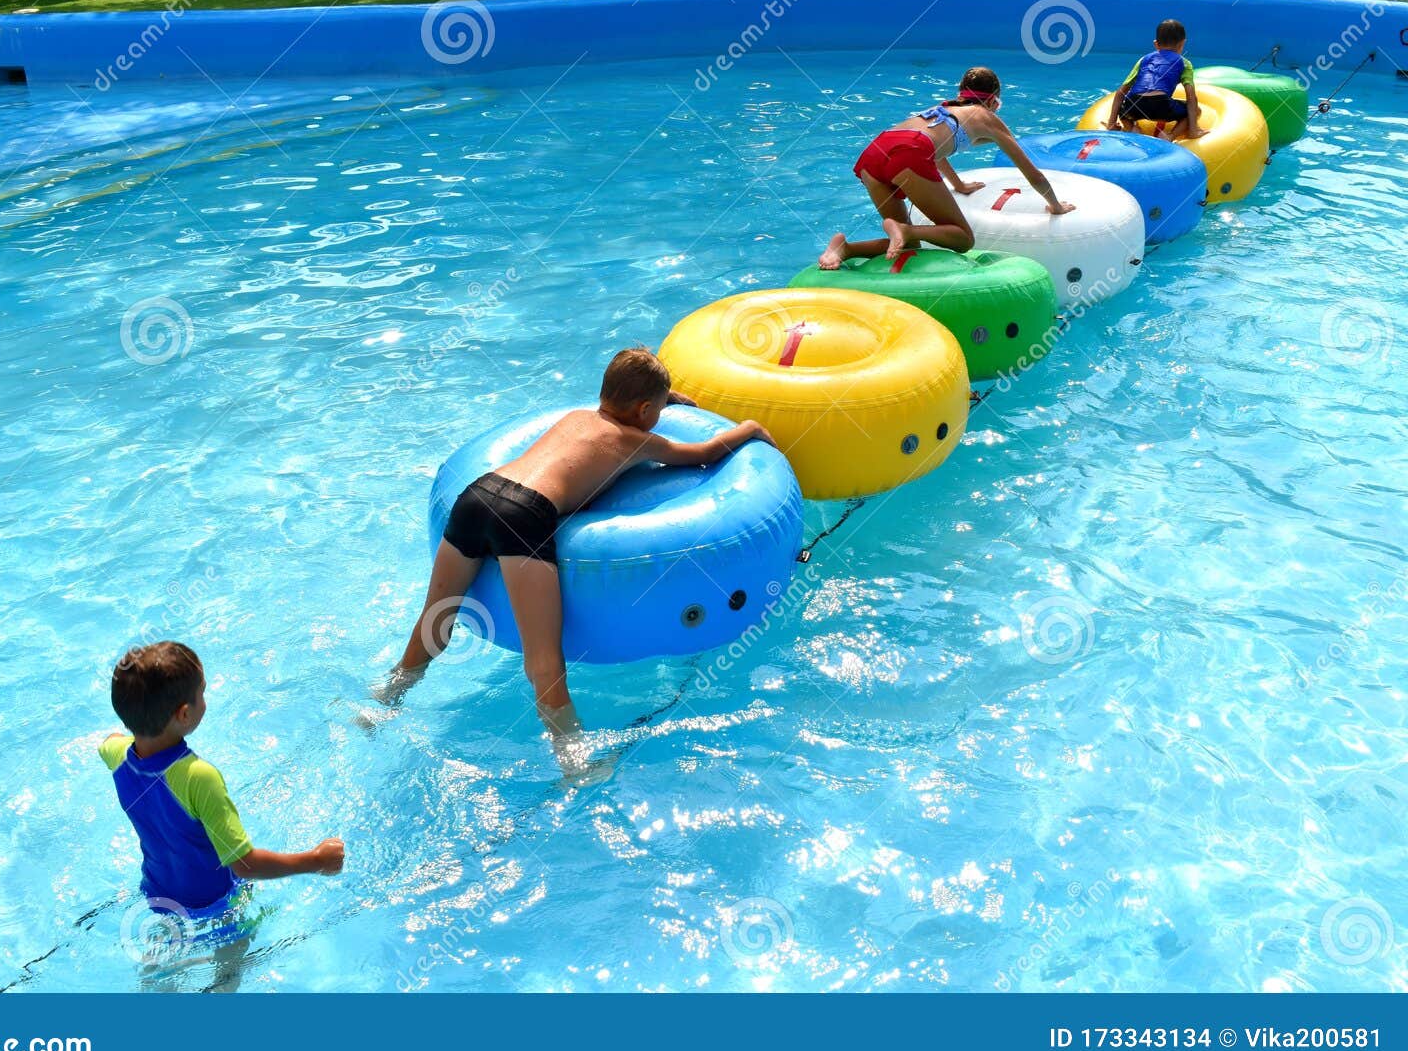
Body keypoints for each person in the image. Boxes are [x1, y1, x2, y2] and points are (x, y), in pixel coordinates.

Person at [382, 347, 774, 769]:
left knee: (436, 616)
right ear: (645, 410)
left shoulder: (576, 418)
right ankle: (573, 762)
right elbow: (705, 453)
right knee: (545, 658)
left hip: (478, 495)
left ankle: (386, 700)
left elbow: (618, 410)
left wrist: (664, 398)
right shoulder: (637, 440)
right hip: (524, 515)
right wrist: (747, 428)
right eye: (658, 408)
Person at [99, 641, 345, 916]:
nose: (205, 699)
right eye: (202, 692)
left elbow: (109, 742)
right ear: (184, 714)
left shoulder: (118, 756)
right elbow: (244, 864)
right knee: (237, 958)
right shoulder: (198, 778)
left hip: (157, 894)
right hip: (216, 905)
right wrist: (315, 861)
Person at [819, 66, 1073, 270]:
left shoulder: (943, 109)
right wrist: (1055, 205)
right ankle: (905, 229)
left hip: (875, 151)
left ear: (960, 92)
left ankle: (845, 248)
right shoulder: (989, 118)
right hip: (909, 152)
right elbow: (1032, 173)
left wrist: (958, 185)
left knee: (909, 248)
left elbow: (936, 152)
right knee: (962, 239)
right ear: (995, 101)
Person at [1104, 19, 1208, 141]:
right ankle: (1169, 136)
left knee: (1123, 111)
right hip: (1161, 105)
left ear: (1156, 44)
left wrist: (1111, 123)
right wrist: (1193, 129)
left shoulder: (1144, 60)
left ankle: (1131, 128)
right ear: (1182, 44)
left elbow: (1121, 92)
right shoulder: (1185, 63)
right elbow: (1191, 98)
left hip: (1135, 104)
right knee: (1196, 110)